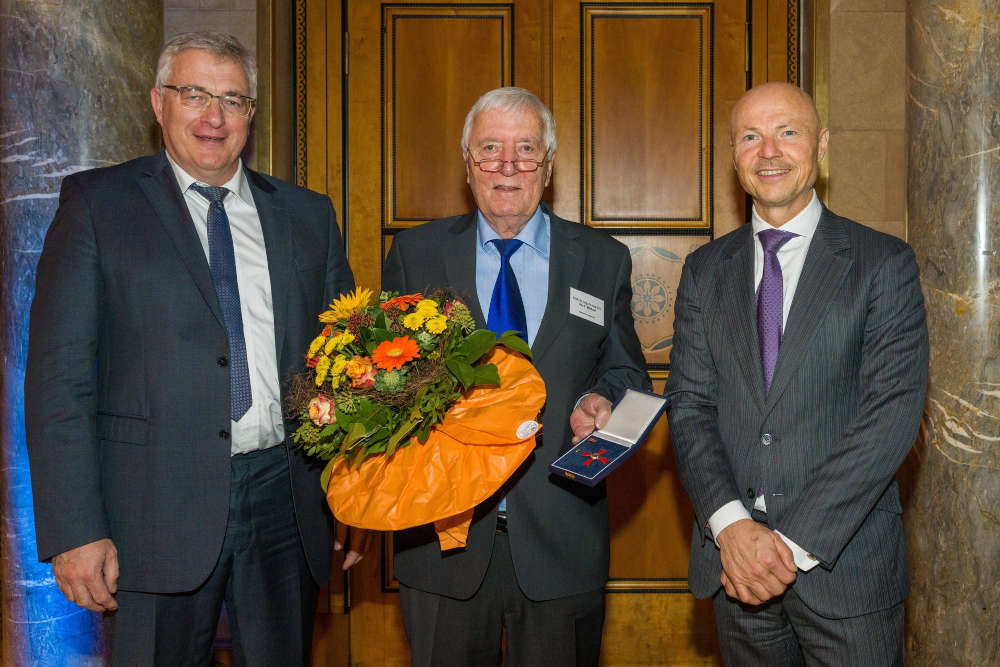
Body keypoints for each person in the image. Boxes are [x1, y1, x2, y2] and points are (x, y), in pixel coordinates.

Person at [24, 31, 363, 665]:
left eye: (233, 99)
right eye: (195, 94)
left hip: (286, 509)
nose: (214, 117)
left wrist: (350, 491)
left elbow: (341, 373)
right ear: (158, 103)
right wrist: (75, 529)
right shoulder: (98, 205)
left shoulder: (307, 216)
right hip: (148, 519)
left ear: (251, 115)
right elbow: (57, 380)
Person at [382, 86, 651, 666]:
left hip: (561, 545)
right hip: (442, 545)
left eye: (526, 149)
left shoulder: (602, 260)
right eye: (491, 150)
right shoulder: (415, 254)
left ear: (548, 166)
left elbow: (629, 374)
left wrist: (604, 403)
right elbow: (382, 385)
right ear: (467, 161)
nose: (508, 166)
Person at [665, 81, 928, 666]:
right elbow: (689, 408)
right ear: (733, 155)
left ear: (822, 144)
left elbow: (889, 418)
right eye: (751, 137)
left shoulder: (882, 263)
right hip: (737, 577)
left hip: (847, 575)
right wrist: (733, 528)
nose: (770, 152)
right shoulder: (705, 272)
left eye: (788, 132)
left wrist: (785, 547)